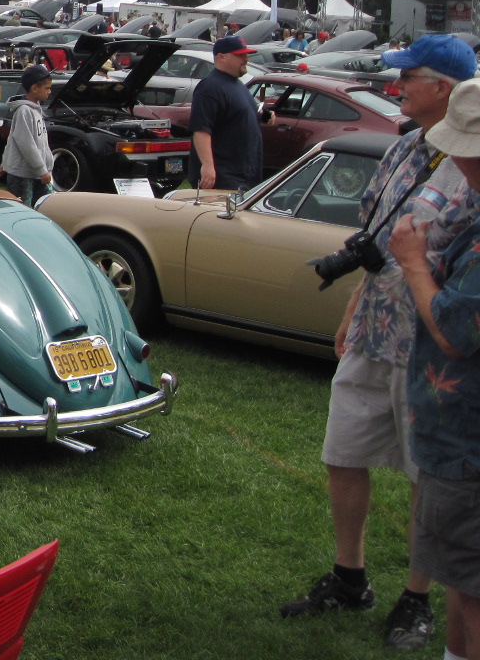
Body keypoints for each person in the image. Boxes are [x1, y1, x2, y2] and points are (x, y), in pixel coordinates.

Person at [282, 33, 475, 649]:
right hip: (375, 329)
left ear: (443, 87)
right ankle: (349, 577)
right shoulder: (404, 150)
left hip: (432, 348)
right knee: (344, 450)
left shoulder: (472, 169)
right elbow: (376, 244)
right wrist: (352, 311)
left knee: (428, 473)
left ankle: (417, 598)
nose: (396, 87)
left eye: (408, 77)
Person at [388, 76, 480, 660]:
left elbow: (453, 332)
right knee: (460, 578)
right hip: (458, 439)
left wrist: (415, 263)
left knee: (472, 587)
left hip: (468, 445)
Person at [188, 36, 266, 192]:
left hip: (246, 177)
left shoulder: (238, 85)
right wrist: (208, 166)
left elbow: (237, 117)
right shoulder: (210, 87)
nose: (246, 59)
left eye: (246, 55)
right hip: (222, 179)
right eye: (240, 55)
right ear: (222, 57)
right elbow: (201, 129)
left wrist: (263, 116)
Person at [0, 65, 56, 205]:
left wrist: (4, 163)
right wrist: (42, 170)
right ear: (35, 88)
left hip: (36, 173)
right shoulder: (24, 111)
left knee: (43, 206)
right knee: (24, 209)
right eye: (46, 88)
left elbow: (13, 139)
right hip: (23, 176)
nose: (49, 91)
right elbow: (26, 144)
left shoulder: (36, 110)